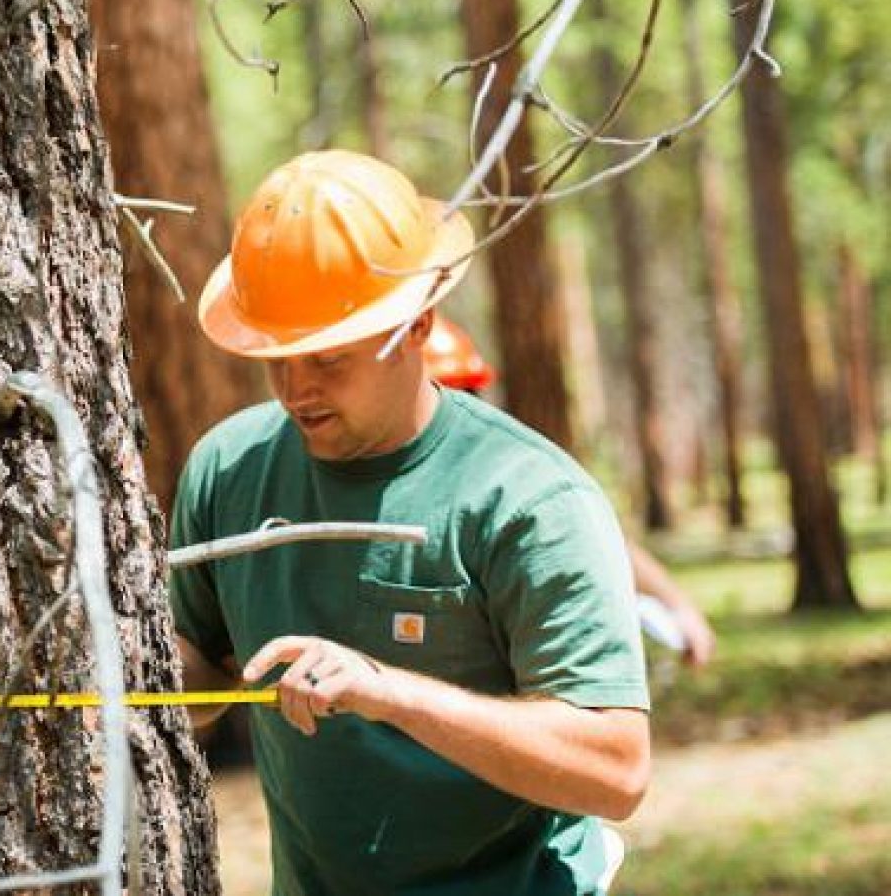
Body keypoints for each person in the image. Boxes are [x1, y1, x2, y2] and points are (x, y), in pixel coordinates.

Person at [171, 150, 650, 896]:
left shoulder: (528, 499)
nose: (298, 388)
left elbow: (615, 770)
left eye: (329, 357)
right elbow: (197, 675)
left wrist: (387, 692)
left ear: (418, 321)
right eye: (280, 357)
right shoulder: (229, 469)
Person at [425, 316, 718, 668]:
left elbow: (596, 540)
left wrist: (677, 605)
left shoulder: (505, 478)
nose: (463, 409)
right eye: (450, 394)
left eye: (469, 394)